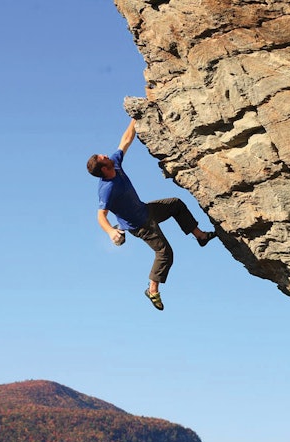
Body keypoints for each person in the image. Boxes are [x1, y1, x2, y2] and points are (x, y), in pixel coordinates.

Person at [87, 118, 216, 311]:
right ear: (103, 169)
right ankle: (152, 290)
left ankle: (200, 236)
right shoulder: (106, 189)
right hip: (140, 226)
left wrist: (135, 118)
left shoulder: (115, 163)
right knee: (165, 253)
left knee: (175, 204)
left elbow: (126, 140)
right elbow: (100, 216)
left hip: (146, 210)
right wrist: (109, 232)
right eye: (103, 158)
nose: (107, 155)